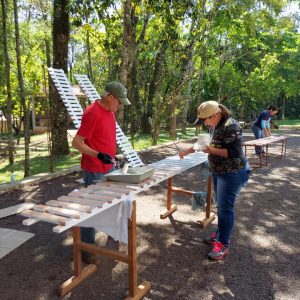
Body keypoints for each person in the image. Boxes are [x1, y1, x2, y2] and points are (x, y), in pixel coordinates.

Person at [179, 100, 250, 260]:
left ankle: (223, 244)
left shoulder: (232, 126)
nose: (205, 123)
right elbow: (202, 143)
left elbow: (235, 153)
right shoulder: (214, 125)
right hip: (218, 170)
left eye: (207, 119)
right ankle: (220, 233)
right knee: (220, 204)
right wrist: (188, 150)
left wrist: (211, 150)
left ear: (216, 114)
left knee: (225, 208)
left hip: (232, 172)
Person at [72, 81, 131, 264]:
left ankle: (112, 232)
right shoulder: (92, 112)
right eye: (119, 102)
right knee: (92, 209)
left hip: (109, 166)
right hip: (94, 170)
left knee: (114, 202)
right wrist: (97, 154)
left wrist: (114, 156)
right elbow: (77, 143)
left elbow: (104, 138)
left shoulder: (110, 113)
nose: (120, 105)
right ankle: (86, 248)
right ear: (110, 97)